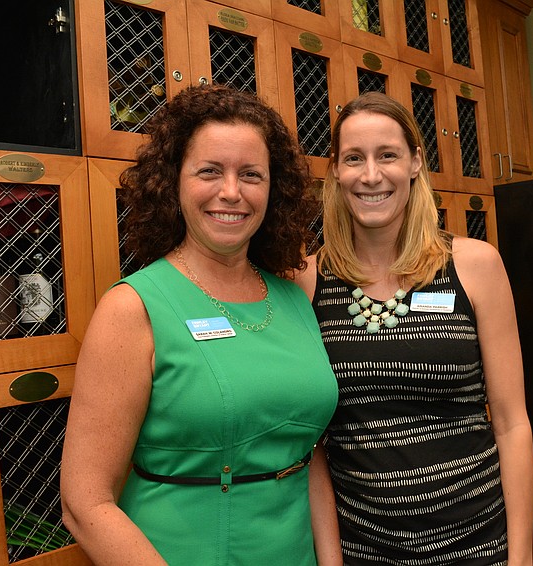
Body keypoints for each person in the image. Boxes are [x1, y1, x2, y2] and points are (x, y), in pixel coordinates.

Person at [61, 84, 341, 565]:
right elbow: (84, 504)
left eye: (251, 175)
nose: (231, 192)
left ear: (274, 189)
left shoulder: (295, 298)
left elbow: (305, 454)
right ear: (173, 182)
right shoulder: (133, 308)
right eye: (210, 171)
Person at [294, 92, 533, 565]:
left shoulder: (474, 265)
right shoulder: (306, 280)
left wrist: (522, 555)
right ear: (336, 172)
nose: (370, 175)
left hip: (478, 543)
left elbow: (511, 423)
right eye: (353, 159)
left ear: (415, 163)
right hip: (364, 548)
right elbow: (311, 445)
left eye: (387, 155)